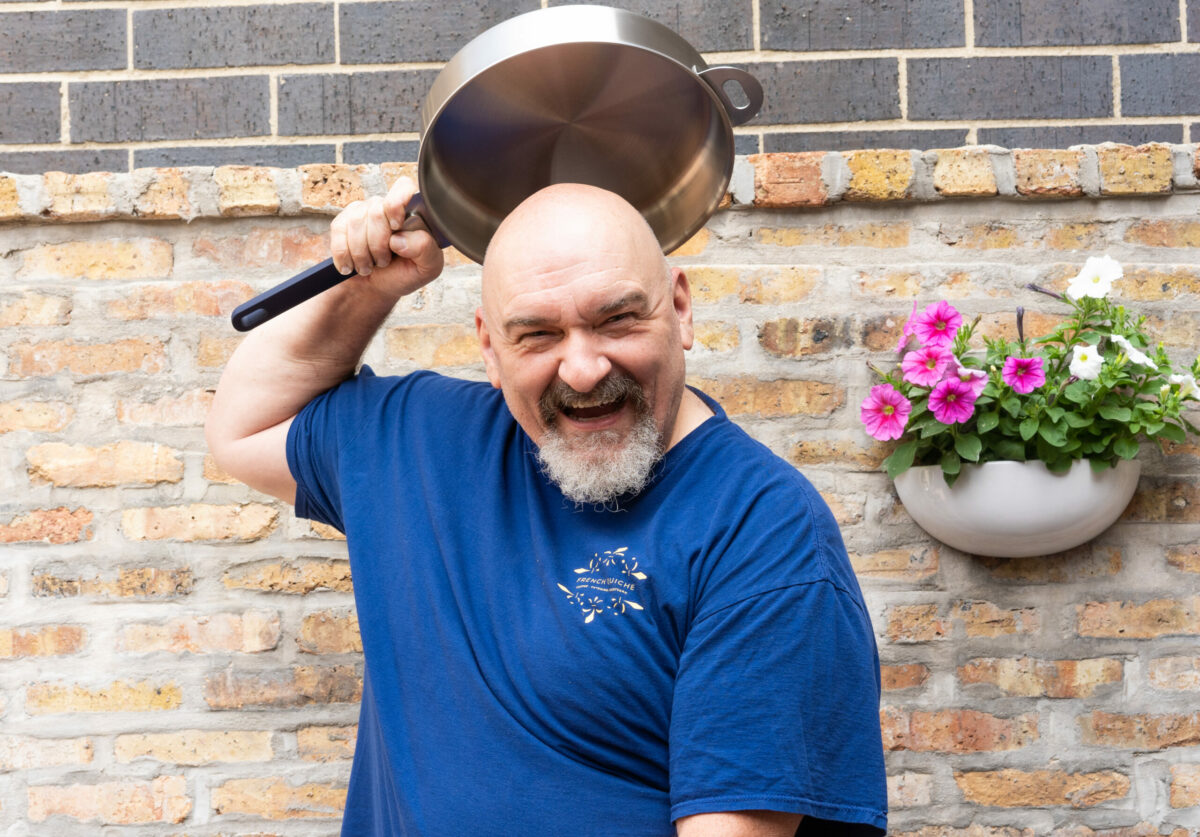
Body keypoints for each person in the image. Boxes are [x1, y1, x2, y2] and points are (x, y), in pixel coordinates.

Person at [206, 177, 888, 836]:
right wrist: (370, 285)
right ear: (490, 346)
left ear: (679, 308)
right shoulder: (418, 440)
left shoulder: (764, 530)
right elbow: (241, 431)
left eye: (616, 319)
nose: (583, 368)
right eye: (536, 335)